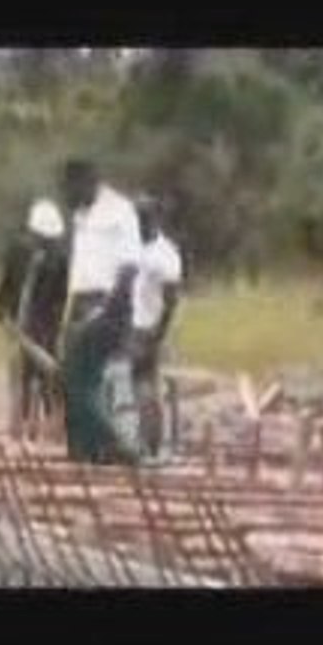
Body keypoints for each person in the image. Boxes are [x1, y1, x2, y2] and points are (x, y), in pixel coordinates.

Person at [58, 158, 144, 463]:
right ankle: (85, 450)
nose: (67, 195)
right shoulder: (81, 215)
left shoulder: (120, 211)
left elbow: (129, 267)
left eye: (70, 188)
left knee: (75, 379)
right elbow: (81, 270)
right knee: (80, 380)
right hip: (81, 303)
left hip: (108, 305)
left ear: (88, 183)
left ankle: (118, 444)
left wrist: (105, 311)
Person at [0, 197, 69, 433]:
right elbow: (8, 283)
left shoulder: (60, 259)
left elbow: (61, 297)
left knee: (47, 373)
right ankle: (22, 420)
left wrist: (51, 324)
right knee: (22, 373)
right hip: (20, 321)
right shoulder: (18, 251)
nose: (43, 242)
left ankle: (51, 419)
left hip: (45, 323)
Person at [62, 265, 141, 465]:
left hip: (86, 353)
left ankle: (105, 446)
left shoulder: (118, 305)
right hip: (86, 353)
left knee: (84, 398)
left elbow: (116, 330)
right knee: (84, 397)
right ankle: (97, 448)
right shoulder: (120, 305)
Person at [131, 193, 183, 458]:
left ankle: (150, 441)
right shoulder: (132, 248)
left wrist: (158, 333)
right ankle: (142, 439)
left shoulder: (165, 254)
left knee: (144, 383)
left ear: (152, 220)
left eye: (141, 219)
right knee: (133, 384)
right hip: (129, 324)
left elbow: (172, 299)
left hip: (148, 326)